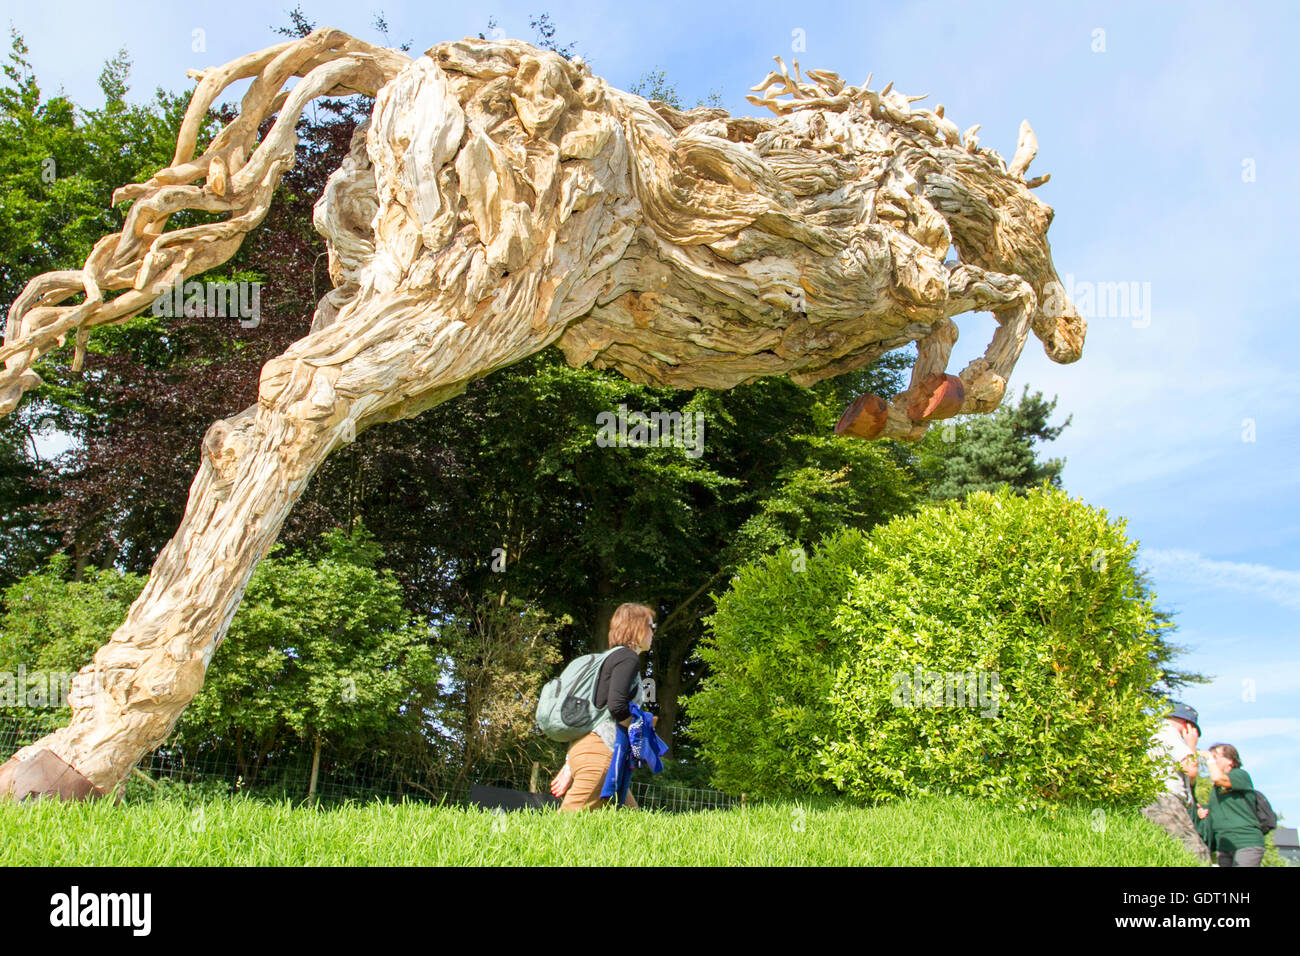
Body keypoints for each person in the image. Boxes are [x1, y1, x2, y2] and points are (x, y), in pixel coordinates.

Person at [549, 602, 655, 812]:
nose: (653, 632)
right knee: (561, 830)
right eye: (651, 626)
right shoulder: (627, 658)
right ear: (637, 628)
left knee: (634, 827)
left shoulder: (608, 659)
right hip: (600, 754)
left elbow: (596, 714)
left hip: (590, 751)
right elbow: (616, 706)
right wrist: (639, 723)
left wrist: (571, 763)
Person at [1140, 702, 1211, 863]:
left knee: (1170, 853)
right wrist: (1191, 744)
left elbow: (1191, 779)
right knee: (1196, 852)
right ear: (1187, 726)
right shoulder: (1170, 733)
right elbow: (1191, 770)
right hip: (1166, 800)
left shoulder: (1157, 733)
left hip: (1155, 799)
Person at [1195, 743, 1266, 867]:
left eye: (1216, 756)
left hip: (1246, 842)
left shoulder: (1239, 775)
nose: (1213, 760)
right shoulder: (1215, 789)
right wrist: (1203, 812)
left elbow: (1218, 778)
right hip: (1224, 845)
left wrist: (1209, 759)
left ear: (1230, 761)